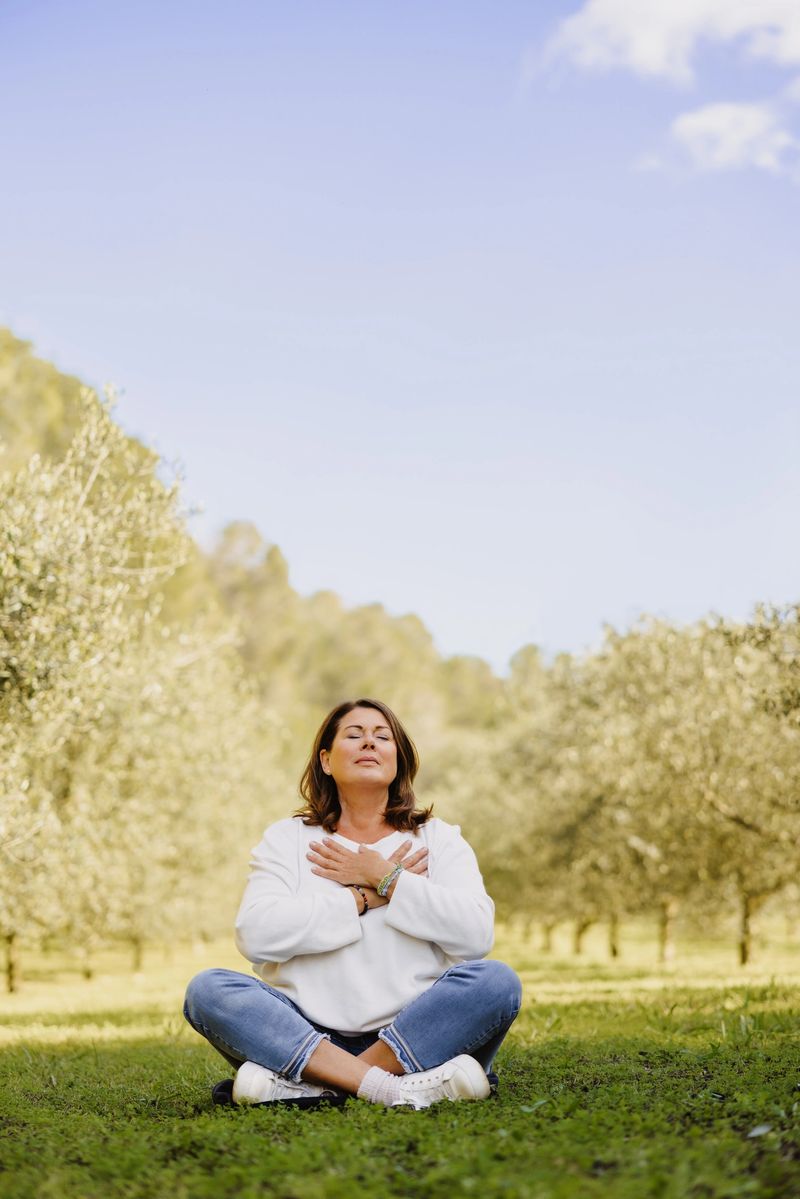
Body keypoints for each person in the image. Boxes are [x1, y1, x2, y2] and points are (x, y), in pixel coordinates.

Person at [184, 697, 522, 1110]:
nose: (369, 744)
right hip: (307, 1032)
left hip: (416, 1031)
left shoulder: (439, 838)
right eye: (354, 735)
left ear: (398, 758)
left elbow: (475, 934)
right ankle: (395, 1090)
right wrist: (360, 898)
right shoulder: (286, 838)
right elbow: (256, 935)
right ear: (326, 760)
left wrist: (387, 877)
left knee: (496, 982)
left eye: (382, 737)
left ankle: (315, 1086)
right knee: (209, 991)